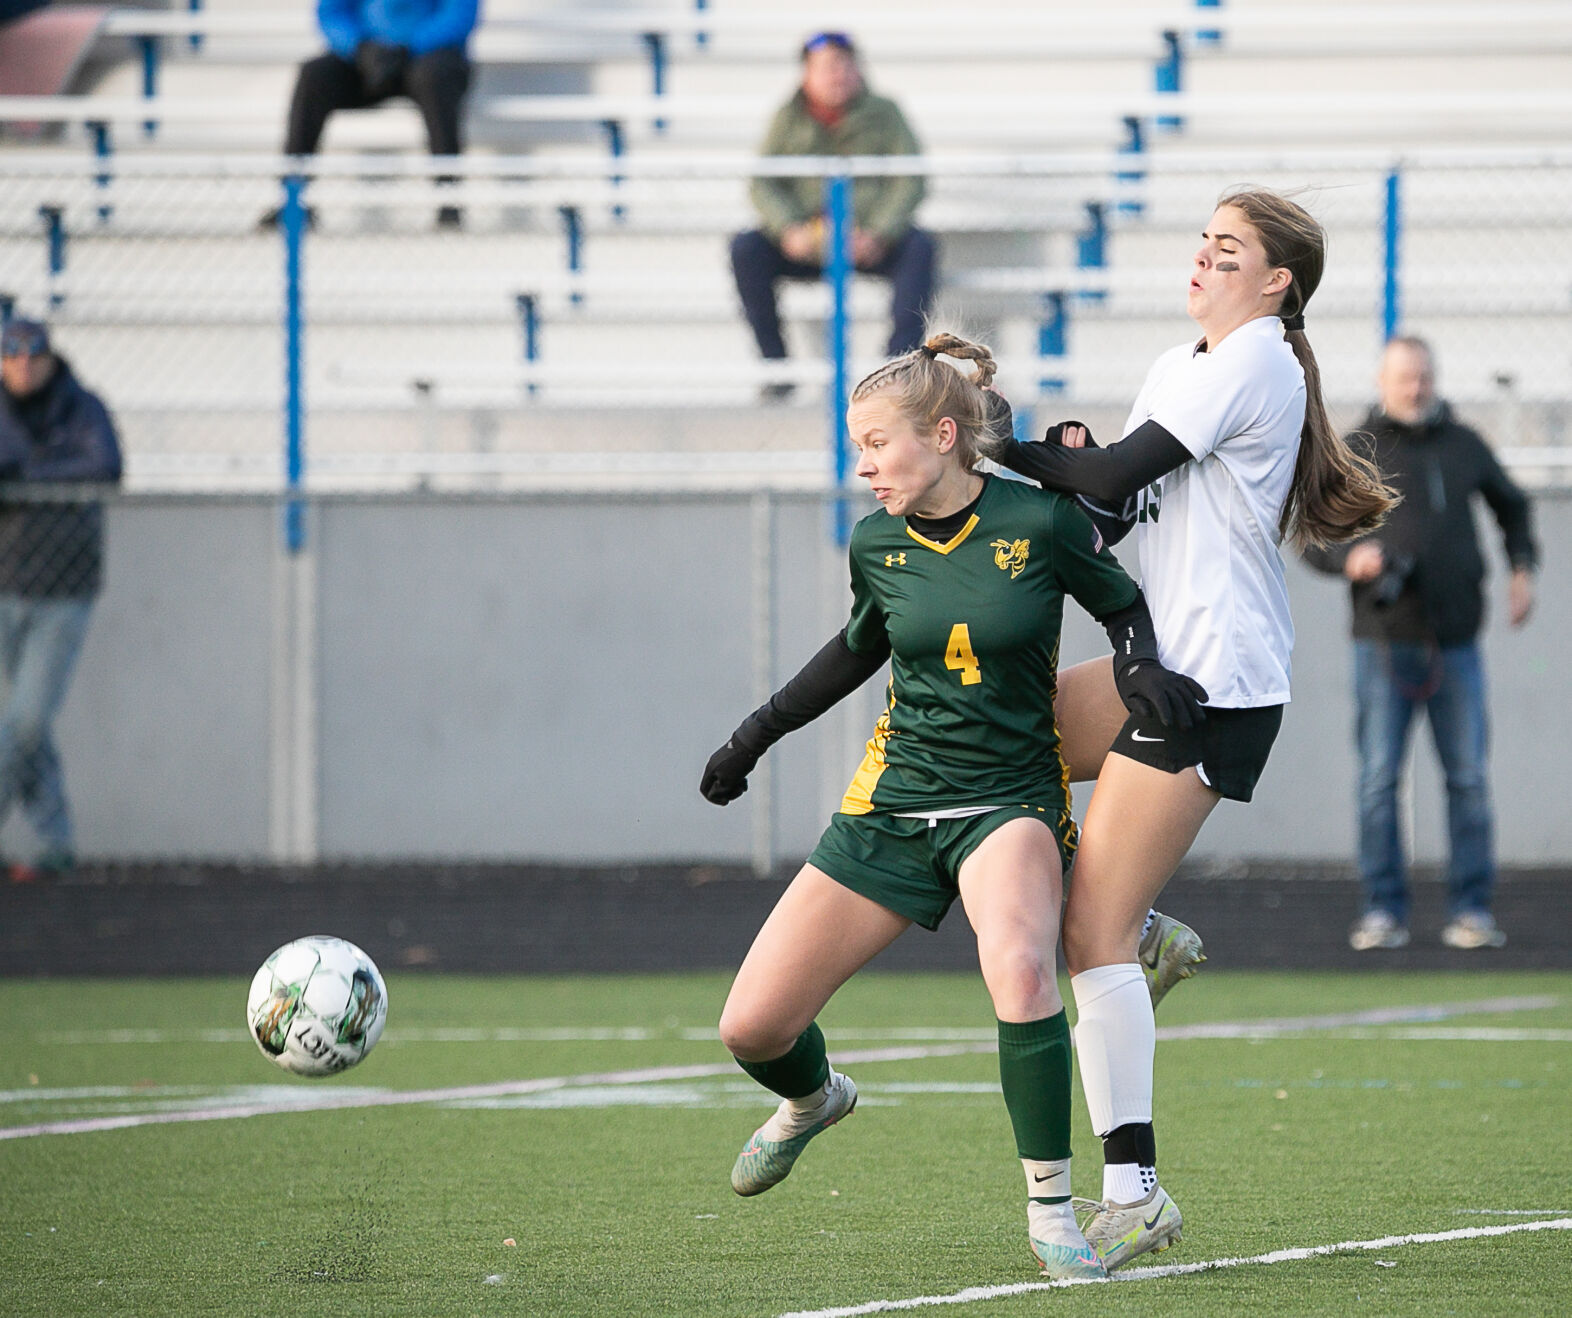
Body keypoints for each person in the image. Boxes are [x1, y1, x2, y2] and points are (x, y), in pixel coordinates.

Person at [700, 332, 1210, 1279]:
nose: (863, 467)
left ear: (942, 434)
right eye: (855, 448)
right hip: (894, 805)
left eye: (875, 446)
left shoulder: (1042, 521)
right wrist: (754, 735)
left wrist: (1138, 666)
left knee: (1019, 969)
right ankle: (813, 1100)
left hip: (1007, 800)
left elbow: (1123, 600)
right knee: (752, 1029)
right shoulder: (876, 542)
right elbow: (856, 649)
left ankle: (1053, 1209)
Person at [976, 190, 1397, 1269]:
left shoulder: (1256, 359)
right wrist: (1065, 463)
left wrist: (996, 446)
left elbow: (1110, 476)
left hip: (1216, 685)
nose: (1204, 259)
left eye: (1230, 249)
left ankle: (1136, 1194)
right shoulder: (1182, 363)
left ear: (1277, 283)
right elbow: (1115, 507)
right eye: (1203, 243)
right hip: (1157, 668)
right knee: (1002, 736)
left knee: (1084, 938)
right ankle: (1146, 924)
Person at [1304, 336, 1537, 953]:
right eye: (1405, 378)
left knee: (1466, 778)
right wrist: (1349, 559)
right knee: (1379, 780)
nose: (1416, 388)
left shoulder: (1465, 444)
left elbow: (1512, 508)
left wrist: (1522, 568)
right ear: (1383, 381)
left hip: (1457, 640)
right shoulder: (1355, 450)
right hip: (1382, 643)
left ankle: (1472, 910)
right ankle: (1382, 910)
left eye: (1424, 376)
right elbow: (1313, 535)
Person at [731, 32, 936, 398]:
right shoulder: (787, 116)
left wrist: (879, 232)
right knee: (747, 249)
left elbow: (912, 178)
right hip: (807, 242)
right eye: (827, 67)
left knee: (919, 247)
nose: (837, 75)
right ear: (806, 74)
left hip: (866, 240)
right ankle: (776, 368)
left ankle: (899, 371)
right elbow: (762, 182)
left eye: (845, 65)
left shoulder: (885, 113)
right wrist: (789, 229)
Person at [0, 318, 123, 883]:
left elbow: (104, 466)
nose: (24, 366)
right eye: (12, 356)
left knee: (25, 720)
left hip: (61, 588)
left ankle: (54, 843)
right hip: (4, 581)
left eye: (33, 356)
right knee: (26, 725)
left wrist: (27, 477)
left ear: (51, 358)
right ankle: (57, 844)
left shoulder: (81, 407)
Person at [263, 0, 481, 229]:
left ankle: (449, 203)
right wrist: (360, 48)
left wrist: (410, 48)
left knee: (436, 79)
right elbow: (332, 12)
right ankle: (293, 201)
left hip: (430, 56)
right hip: (369, 59)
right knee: (314, 76)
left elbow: (459, 15)